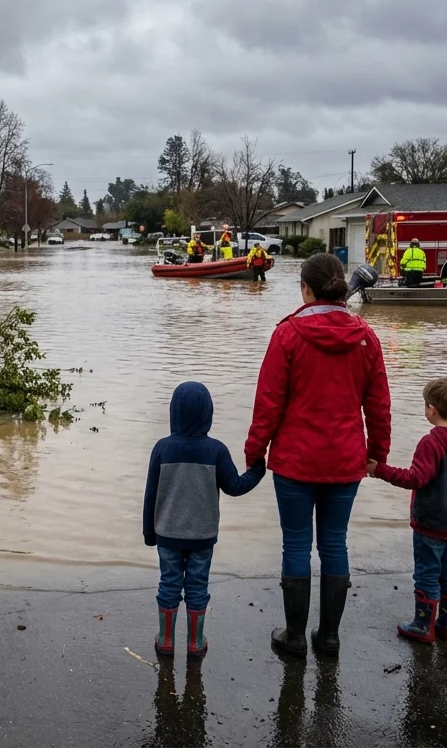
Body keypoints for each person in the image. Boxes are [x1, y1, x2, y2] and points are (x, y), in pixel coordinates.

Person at [245, 253, 392, 658]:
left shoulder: (287, 335)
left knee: (295, 545)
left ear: (305, 289)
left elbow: (268, 404)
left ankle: (294, 637)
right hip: (346, 461)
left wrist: (254, 452)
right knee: (334, 543)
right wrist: (377, 453)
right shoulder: (366, 337)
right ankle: (329, 638)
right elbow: (378, 405)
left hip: (294, 462)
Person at [145, 382, 266, 657]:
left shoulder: (162, 448)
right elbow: (235, 486)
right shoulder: (216, 450)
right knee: (198, 586)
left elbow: (150, 494)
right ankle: (195, 644)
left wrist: (149, 533)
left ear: (173, 412)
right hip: (202, 536)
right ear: (208, 414)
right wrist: (258, 470)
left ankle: (165, 641)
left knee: (169, 583)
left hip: (167, 533)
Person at [369, 378, 447, 644]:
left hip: (432, 522)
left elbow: (416, 478)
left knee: (427, 573)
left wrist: (379, 470)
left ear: (431, 409)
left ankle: (423, 626)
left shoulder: (431, 443)